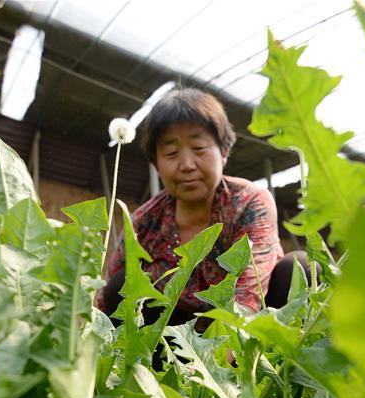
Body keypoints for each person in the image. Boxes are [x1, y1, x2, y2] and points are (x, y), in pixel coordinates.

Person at [97, 87, 307, 325]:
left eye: (198, 149)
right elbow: (104, 303)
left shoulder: (249, 202)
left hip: (249, 331)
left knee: (302, 270)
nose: (186, 164)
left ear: (224, 152)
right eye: (171, 152)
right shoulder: (144, 222)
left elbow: (247, 299)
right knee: (121, 284)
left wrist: (215, 359)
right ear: (156, 163)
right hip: (174, 339)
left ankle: (290, 359)